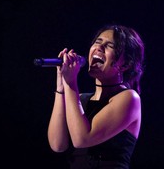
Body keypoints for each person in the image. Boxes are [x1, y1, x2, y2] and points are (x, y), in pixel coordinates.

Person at [47, 24, 145, 169]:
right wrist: (61, 85)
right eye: (98, 42)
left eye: (110, 45)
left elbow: (82, 139)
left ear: (125, 64)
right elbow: (57, 144)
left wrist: (71, 83)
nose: (99, 48)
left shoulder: (129, 98)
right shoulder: (79, 99)